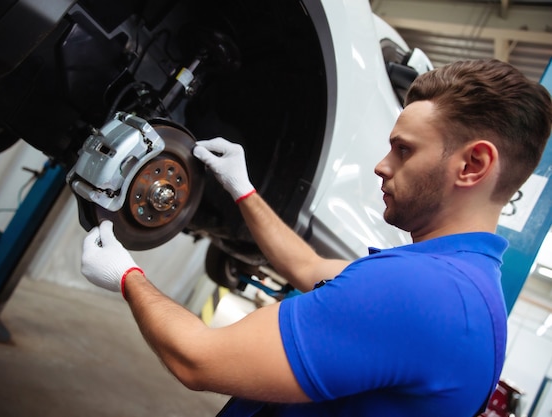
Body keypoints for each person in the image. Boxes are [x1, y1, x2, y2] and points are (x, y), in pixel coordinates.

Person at [80, 59, 552, 416]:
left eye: (403, 150)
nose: (382, 165)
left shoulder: (424, 293)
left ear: (472, 165)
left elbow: (198, 361)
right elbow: (306, 267)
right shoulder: (460, 285)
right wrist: (243, 191)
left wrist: (128, 278)